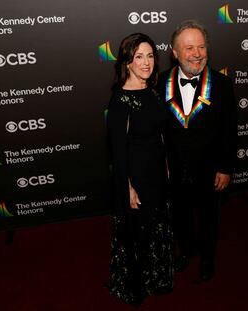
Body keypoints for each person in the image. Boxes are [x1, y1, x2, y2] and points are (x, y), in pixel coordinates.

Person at [157, 20, 237, 281]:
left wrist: (225, 167)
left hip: (210, 169)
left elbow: (229, 130)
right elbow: (155, 130)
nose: (197, 54)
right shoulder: (159, 83)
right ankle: (186, 251)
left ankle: (207, 258)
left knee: (209, 217)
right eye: (189, 48)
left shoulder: (223, 84)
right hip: (174, 169)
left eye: (201, 47)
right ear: (175, 53)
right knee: (179, 215)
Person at [105, 33, 173, 306]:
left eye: (150, 56)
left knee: (157, 228)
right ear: (127, 62)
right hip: (136, 177)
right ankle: (135, 285)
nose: (146, 62)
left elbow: (161, 135)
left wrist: (166, 166)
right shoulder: (119, 102)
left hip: (157, 173)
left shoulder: (153, 92)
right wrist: (128, 187)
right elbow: (117, 153)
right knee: (138, 234)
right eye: (138, 57)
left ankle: (156, 278)